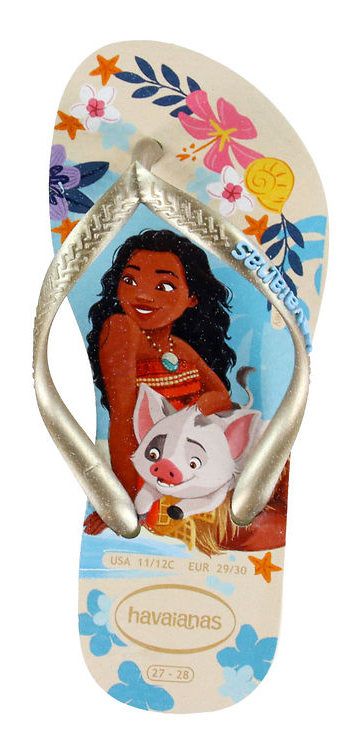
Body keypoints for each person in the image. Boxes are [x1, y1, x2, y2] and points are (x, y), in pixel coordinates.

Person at [85, 230, 285, 550]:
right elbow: (123, 419)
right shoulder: (121, 329)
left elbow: (222, 396)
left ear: (192, 297)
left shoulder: (179, 347)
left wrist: (195, 412)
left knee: (279, 482)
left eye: (164, 286)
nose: (142, 295)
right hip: (161, 475)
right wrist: (121, 501)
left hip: (210, 458)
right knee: (261, 529)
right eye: (130, 280)